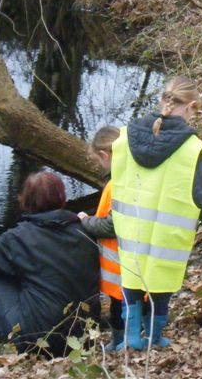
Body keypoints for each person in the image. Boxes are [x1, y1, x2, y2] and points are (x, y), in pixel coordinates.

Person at [111, 76, 202, 350]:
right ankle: (153, 337)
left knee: (131, 281)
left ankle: (130, 338)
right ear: (191, 106)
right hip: (167, 238)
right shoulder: (190, 148)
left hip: (132, 231)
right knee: (160, 287)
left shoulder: (125, 136)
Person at [0, 172, 101, 354]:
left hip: (39, 340)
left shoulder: (18, 238)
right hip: (86, 336)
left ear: (25, 201)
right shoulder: (84, 231)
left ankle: (11, 336)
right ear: (62, 198)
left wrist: (10, 266)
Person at [77, 126, 124, 351]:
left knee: (118, 306)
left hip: (120, 264)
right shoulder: (132, 174)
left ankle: (119, 342)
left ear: (105, 155)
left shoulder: (118, 184)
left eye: (99, 161)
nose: (99, 167)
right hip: (135, 258)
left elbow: (112, 225)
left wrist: (86, 221)